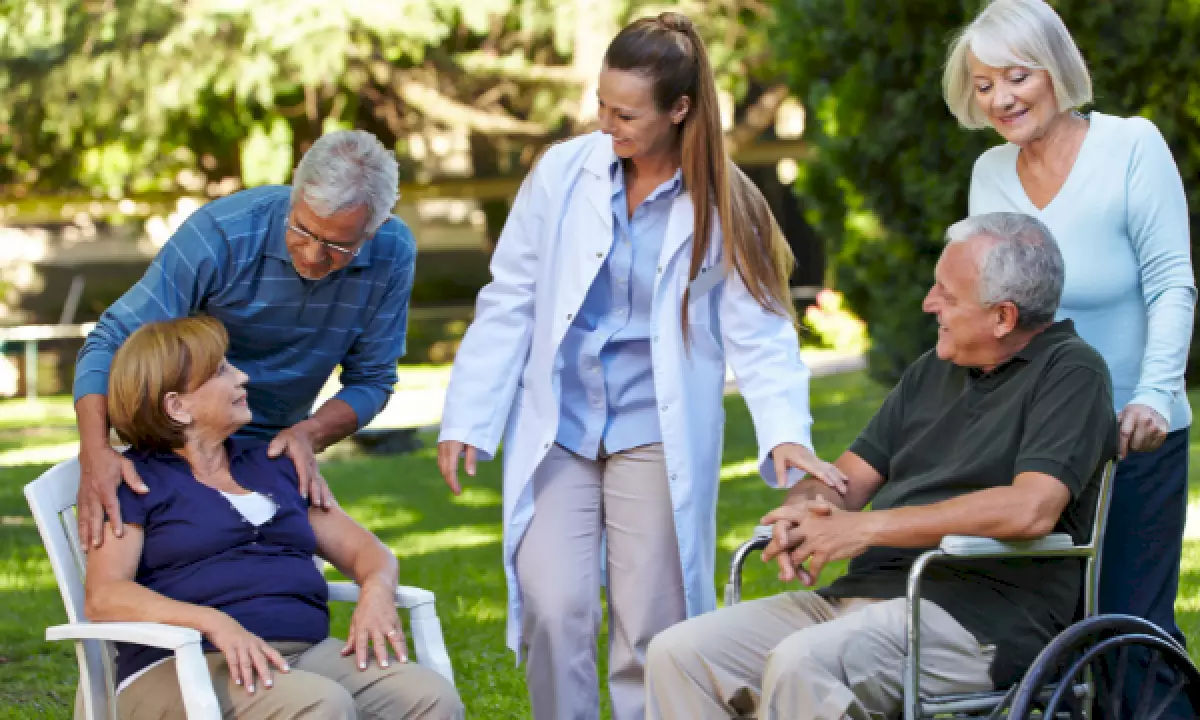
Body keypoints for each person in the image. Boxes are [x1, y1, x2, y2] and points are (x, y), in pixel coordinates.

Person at [435, 11, 841, 720]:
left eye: (625, 113)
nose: (606, 124)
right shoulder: (563, 173)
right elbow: (511, 298)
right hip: (560, 428)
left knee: (648, 624)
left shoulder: (725, 202)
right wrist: (469, 416)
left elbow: (762, 333)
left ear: (679, 109)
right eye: (601, 105)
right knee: (552, 605)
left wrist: (785, 432)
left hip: (654, 433)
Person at [644, 212, 1118, 719]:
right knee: (679, 654)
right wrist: (805, 513)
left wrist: (867, 528)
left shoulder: (1071, 372)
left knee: (801, 664)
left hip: (975, 619)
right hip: (857, 601)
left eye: (947, 295)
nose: (928, 303)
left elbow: (1032, 509)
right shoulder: (934, 370)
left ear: (1003, 317)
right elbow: (845, 482)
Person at [944, 0, 1196, 659]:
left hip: (1137, 434)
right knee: (1042, 645)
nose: (1001, 98)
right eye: (984, 84)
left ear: (1055, 68)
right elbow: (994, 316)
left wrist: (1153, 394)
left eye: (1017, 76)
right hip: (1044, 448)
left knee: (1126, 636)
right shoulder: (989, 174)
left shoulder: (1130, 146)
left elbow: (1173, 282)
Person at [84, 316, 462, 720]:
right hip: (187, 665)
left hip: (305, 653)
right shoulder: (133, 481)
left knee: (429, 697)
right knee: (321, 705)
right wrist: (212, 623)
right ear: (177, 406)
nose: (242, 377)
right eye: (221, 371)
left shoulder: (273, 463)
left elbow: (367, 551)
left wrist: (376, 591)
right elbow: (105, 594)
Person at [73, 129, 417, 551]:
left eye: (336, 246)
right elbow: (110, 340)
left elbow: (374, 379)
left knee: (279, 579)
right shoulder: (219, 234)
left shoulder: (393, 251)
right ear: (295, 195)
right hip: (180, 451)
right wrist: (95, 451)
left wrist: (309, 434)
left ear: (374, 229)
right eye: (303, 230)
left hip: (276, 455)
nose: (312, 255)